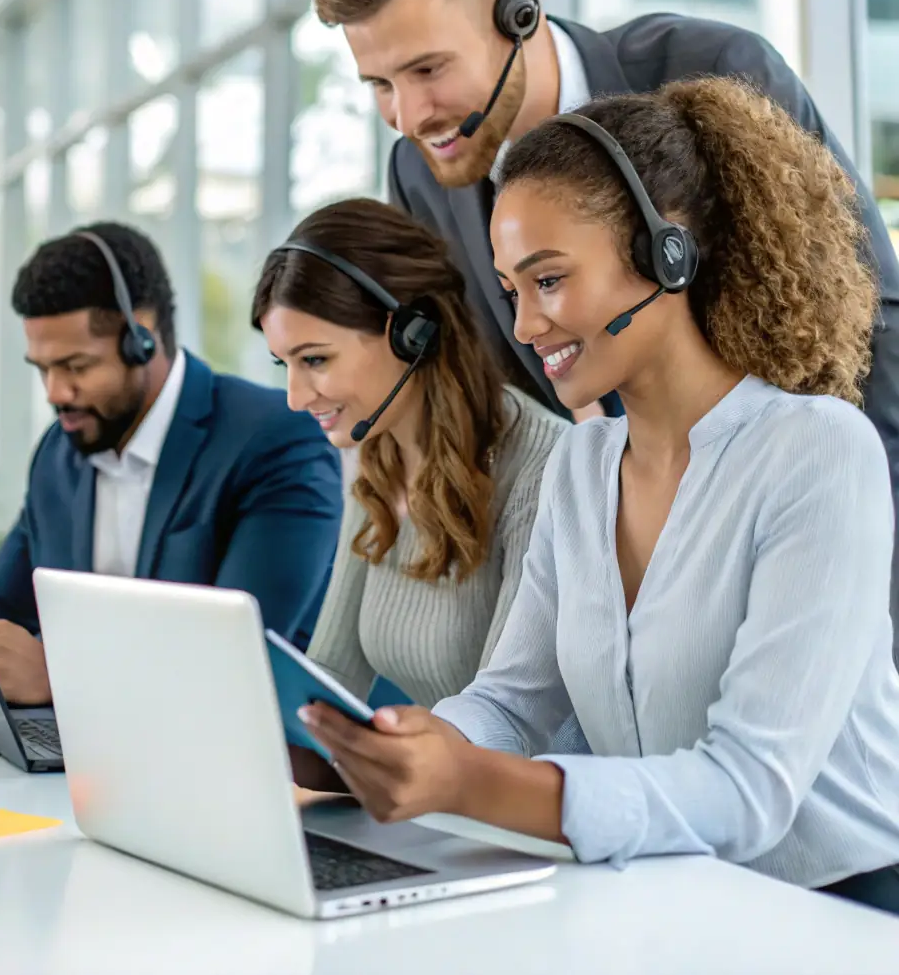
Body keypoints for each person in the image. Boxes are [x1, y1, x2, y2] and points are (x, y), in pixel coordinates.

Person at [298, 79, 899, 916]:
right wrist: (402, 743)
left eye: (548, 280)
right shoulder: (584, 464)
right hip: (668, 898)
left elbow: (750, 788)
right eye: (511, 290)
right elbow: (512, 700)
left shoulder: (817, 453)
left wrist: (473, 783)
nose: (525, 326)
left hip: (841, 913)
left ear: (668, 254)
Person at [314, 0, 899, 653]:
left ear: (515, 12)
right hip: (624, 576)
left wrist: (874, 603)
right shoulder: (423, 174)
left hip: (798, 537)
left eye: (428, 69)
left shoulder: (711, 73)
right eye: (380, 85)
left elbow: (874, 324)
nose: (408, 114)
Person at [0, 222, 341, 703]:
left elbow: (239, 657)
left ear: (142, 338)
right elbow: (2, 607)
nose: (56, 393)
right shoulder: (60, 454)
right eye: (43, 369)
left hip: (256, 762)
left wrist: (65, 681)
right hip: (79, 763)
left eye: (76, 366)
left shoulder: (273, 439)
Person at [252, 198, 565, 790]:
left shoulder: (542, 464)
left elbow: (509, 724)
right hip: (445, 807)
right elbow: (330, 678)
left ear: (413, 333)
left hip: (532, 820)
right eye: (284, 365)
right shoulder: (379, 453)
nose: (295, 396)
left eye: (315, 360)